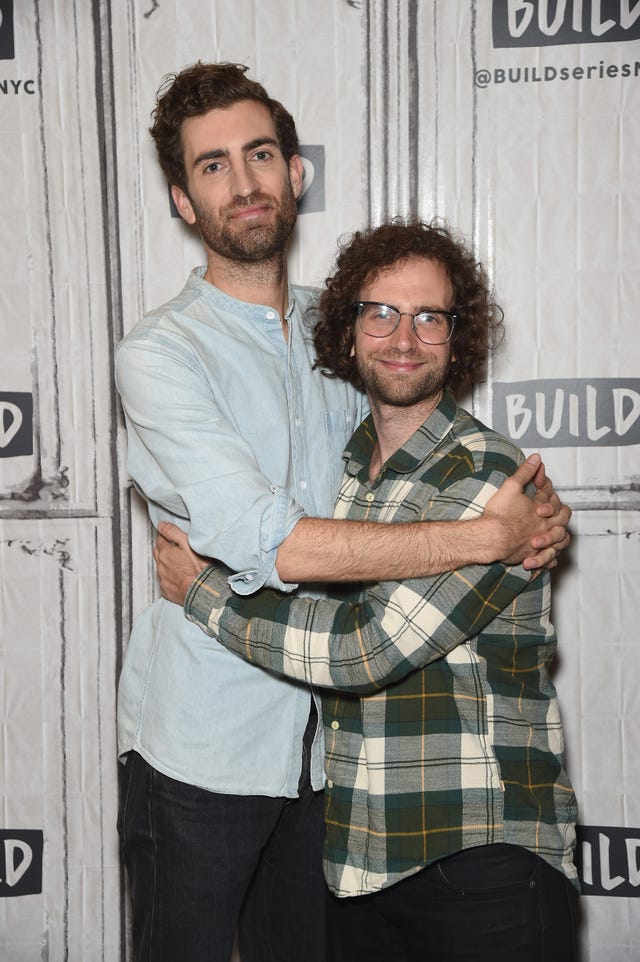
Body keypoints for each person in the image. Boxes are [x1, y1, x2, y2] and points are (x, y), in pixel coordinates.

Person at [115, 61, 570, 962]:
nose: (243, 183)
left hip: (331, 772)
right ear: (181, 198)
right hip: (202, 754)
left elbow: (435, 436)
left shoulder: (348, 330)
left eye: (260, 155)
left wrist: (532, 509)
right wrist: (491, 536)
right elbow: (267, 541)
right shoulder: (159, 353)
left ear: (294, 171)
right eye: (213, 166)